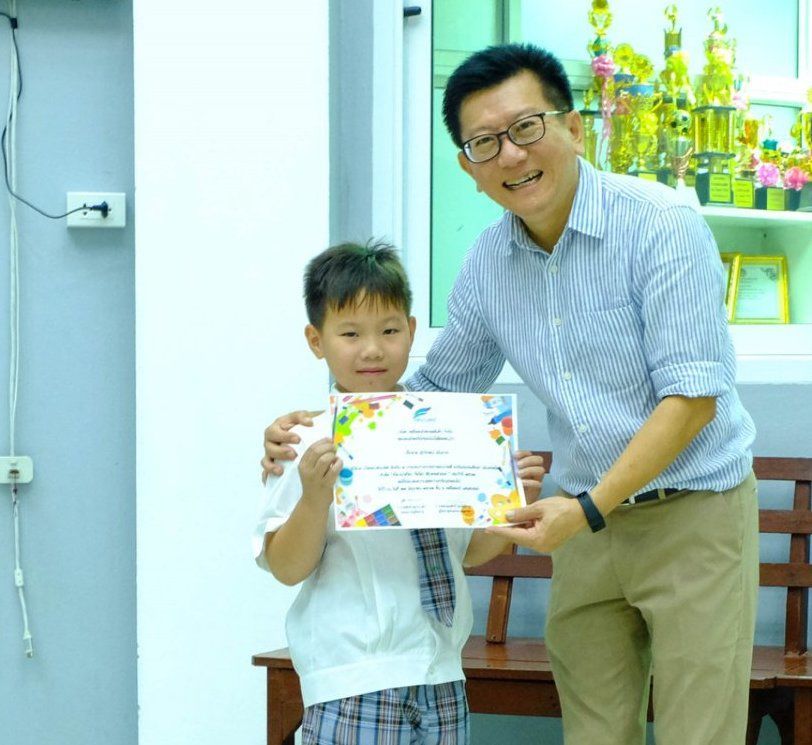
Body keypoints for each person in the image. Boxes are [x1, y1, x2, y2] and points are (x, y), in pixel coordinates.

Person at [262, 44, 760, 745]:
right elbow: (434, 391)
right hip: (583, 526)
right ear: (469, 169)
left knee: (698, 734)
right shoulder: (488, 266)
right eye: (485, 142)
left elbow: (693, 399)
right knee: (593, 733)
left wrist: (586, 508)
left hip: (691, 513)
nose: (512, 155)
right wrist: (322, 428)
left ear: (574, 128)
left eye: (527, 127)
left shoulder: (661, 224)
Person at [254, 240, 543, 745]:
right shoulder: (304, 442)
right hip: (354, 680)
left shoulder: (452, 430)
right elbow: (286, 567)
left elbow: (467, 552)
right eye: (350, 333)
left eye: (389, 331)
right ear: (316, 340)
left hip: (443, 673)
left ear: (411, 331)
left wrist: (511, 508)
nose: (372, 349)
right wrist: (314, 498)